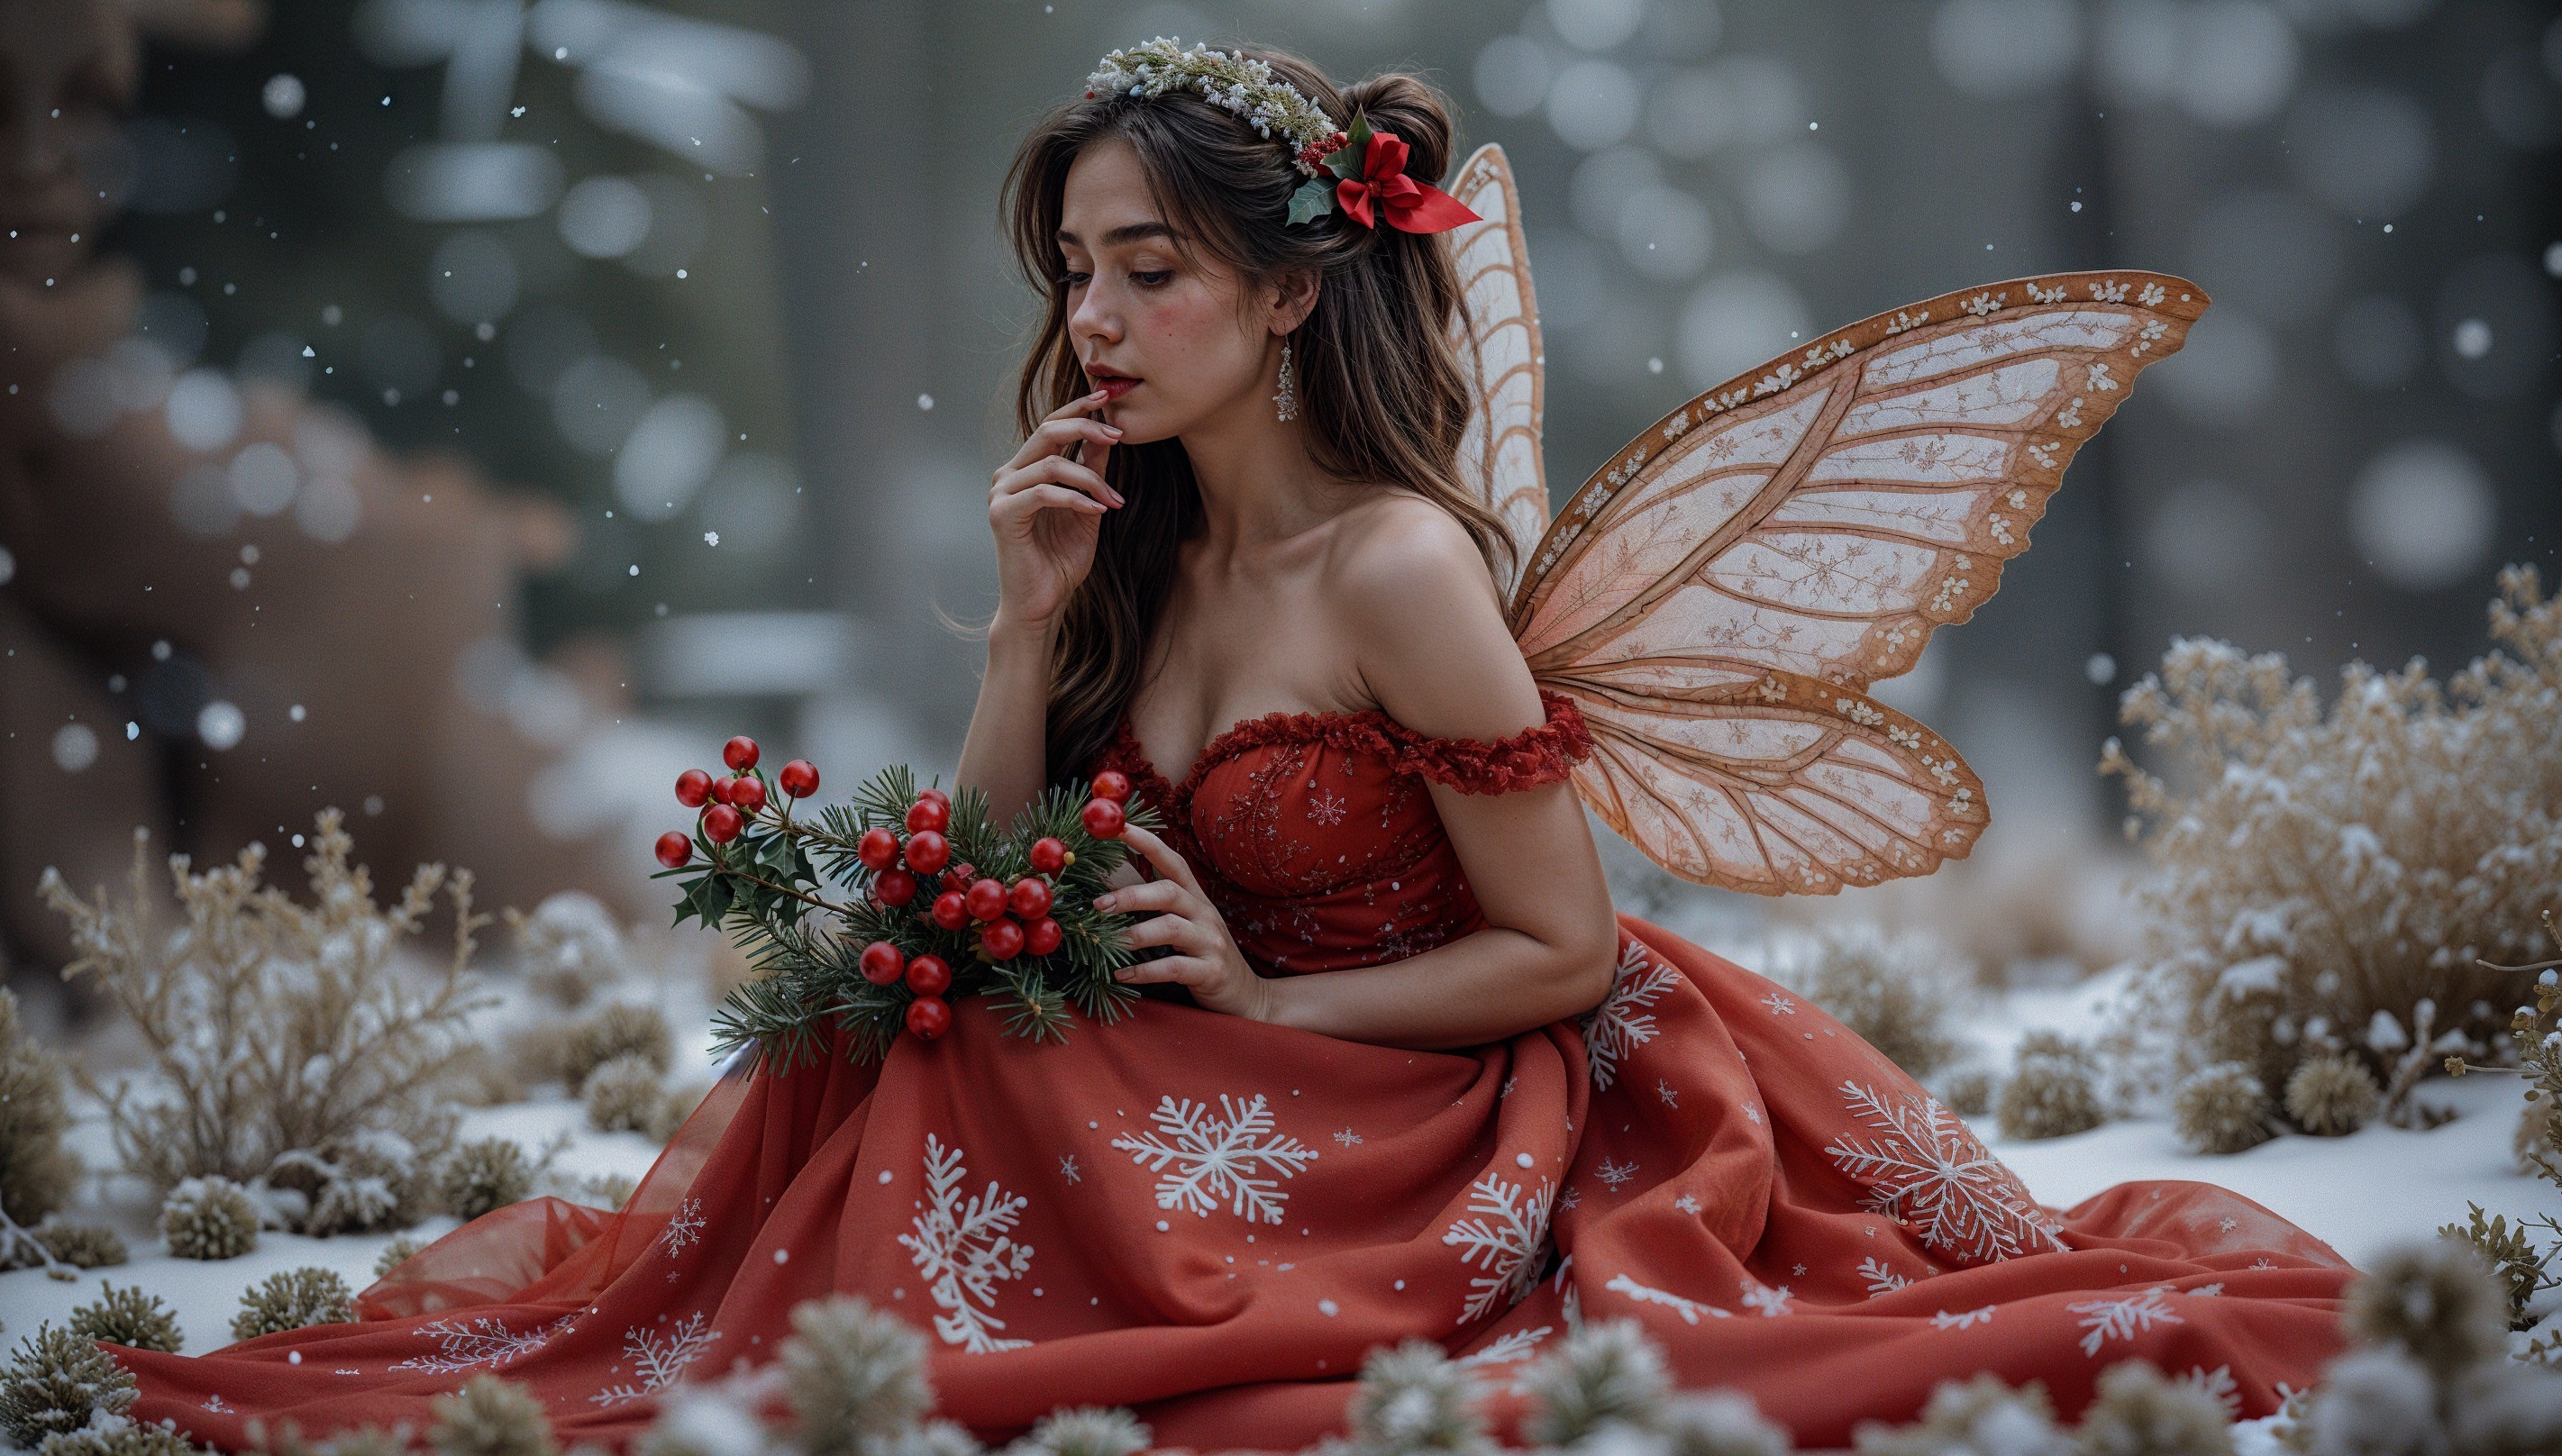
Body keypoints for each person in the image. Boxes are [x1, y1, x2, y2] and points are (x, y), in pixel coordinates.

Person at [116, 41, 2352, 1453]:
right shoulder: (1130, 538)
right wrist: (1025, 623)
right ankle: (915, 1351)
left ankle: (1016, 1353)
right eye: (1074, 272)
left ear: (1292, 291)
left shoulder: (1400, 569)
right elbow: (978, 886)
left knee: (1004, 1061)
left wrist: (1276, 1003)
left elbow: (1566, 949)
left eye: (1150, 271)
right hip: (1235, 1059)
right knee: (940, 1019)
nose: (1092, 321)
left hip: (1454, 1080)